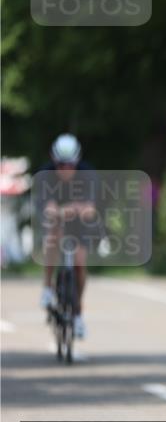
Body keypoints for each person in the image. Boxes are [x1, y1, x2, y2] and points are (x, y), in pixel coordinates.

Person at [38, 134, 97, 339]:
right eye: (61, 165)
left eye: (70, 164)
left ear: (77, 161)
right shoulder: (46, 174)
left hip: (79, 221)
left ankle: (78, 312)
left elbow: (90, 209)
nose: (65, 169)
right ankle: (47, 286)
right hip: (57, 219)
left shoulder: (87, 174)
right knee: (53, 234)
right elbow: (47, 206)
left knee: (80, 263)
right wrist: (58, 211)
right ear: (54, 161)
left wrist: (76, 209)